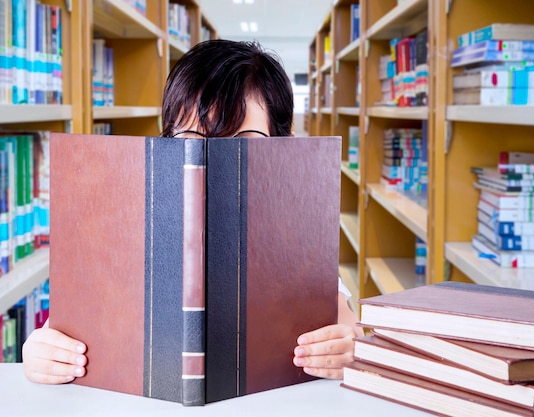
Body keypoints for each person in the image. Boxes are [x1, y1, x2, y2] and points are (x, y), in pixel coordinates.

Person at [22, 39, 364, 384]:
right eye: (188, 138)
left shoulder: (296, 242)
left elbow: (343, 320)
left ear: (283, 145)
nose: (212, 162)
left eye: (242, 141)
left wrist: (354, 347)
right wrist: (39, 352)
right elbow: (58, 335)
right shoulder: (120, 229)